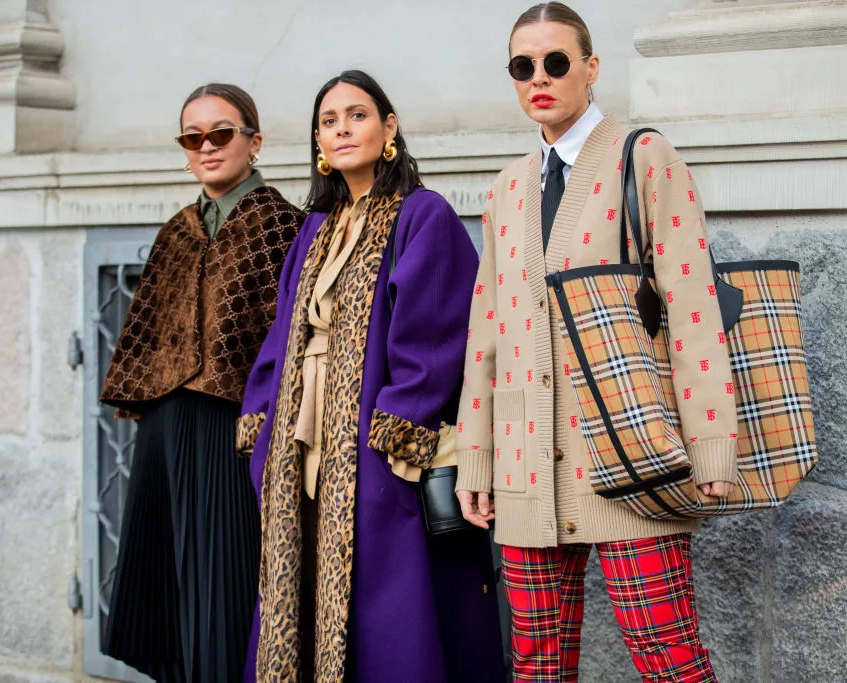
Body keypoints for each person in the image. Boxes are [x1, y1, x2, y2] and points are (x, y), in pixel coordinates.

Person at [455, 4, 736, 682]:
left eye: (557, 62)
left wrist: (712, 444)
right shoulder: (505, 188)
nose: (539, 79)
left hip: (628, 450)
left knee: (670, 658)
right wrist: (476, 457)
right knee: (536, 665)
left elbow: (694, 307)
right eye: (523, 67)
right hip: (526, 465)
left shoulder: (642, 158)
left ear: (591, 67)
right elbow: (485, 333)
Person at [238, 70, 505, 683]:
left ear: (389, 128)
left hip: (375, 445)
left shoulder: (422, 215)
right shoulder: (315, 227)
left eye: (357, 116)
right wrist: (265, 427)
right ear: (317, 143)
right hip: (303, 440)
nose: (342, 130)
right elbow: (284, 335)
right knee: (304, 587)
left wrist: (391, 435)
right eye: (329, 121)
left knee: (385, 605)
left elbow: (434, 335)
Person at [99, 83, 304, 682]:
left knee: (227, 575)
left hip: (235, 423)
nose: (207, 147)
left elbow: (289, 334)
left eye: (221, 133)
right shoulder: (177, 230)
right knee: (167, 579)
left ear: (254, 141)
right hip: (165, 424)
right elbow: (148, 331)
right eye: (194, 137)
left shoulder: (283, 226)